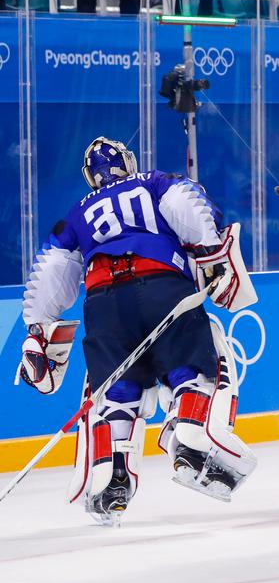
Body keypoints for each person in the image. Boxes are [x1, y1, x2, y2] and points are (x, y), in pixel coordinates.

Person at [19, 137, 258, 525]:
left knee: (118, 391)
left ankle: (110, 479)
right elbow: (189, 203)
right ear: (126, 163)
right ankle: (191, 442)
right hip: (161, 285)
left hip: (103, 303)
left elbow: (50, 269)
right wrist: (210, 249)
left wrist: (39, 328)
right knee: (195, 365)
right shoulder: (151, 181)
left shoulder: (76, 213)